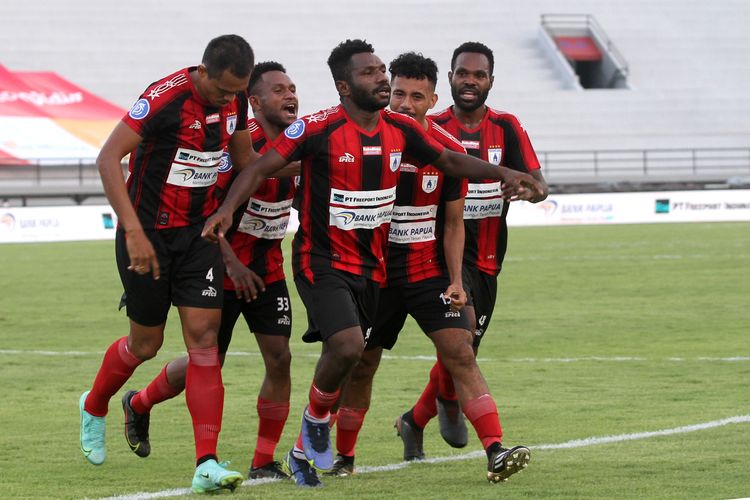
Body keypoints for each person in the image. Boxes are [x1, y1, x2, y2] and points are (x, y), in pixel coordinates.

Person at [202, 39, 544, 488]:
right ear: (344, 85)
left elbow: (450, 164)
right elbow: (258, 166)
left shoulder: (408, 134)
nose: (384, 80)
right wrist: (228, 207)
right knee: (349, 351)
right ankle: (324, 430)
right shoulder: (317, 128)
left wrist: (503, 173)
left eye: (384, 71)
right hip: (322, 261)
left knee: (454, 349)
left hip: (389, 269)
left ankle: (493, 448)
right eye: (373, 74)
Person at [325, 52, 533, 483]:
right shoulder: (366, 140)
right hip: (374, 273)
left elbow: (454, 223)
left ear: (432, 99)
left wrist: (457, 281)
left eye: (416, 96)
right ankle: (343, 455)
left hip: (426, 269)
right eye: (398, 92)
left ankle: (495, 450)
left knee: (461, 349)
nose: (404, 103)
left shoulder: (447, 149)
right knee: (362, 364)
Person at [79, 34, 256, 494]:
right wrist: (133, 231)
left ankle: (206, 464)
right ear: (203, 71)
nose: (228, 100)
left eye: (237, 92)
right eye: (221, 91)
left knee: (204, 342)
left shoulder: (236, 104)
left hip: (198, 238)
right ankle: (95, 405)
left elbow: (247, 162)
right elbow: (107, 158)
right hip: (147, 237)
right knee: (145, 344)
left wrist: (305, 162)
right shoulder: (164, 99)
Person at [119, 61, 299, 481]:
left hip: (267, 271)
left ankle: (263, 460)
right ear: (252, 102)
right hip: (219, 269)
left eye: (292, 88)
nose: (290, 96)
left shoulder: (299, 144)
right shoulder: (235, 147)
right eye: (278, 90)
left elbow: (298, 180)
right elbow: (202, 210)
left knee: (280, 357)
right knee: (206, 361)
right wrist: (231, 262)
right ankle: (140, 402)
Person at [397, 41, 549, 464]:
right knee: (460, 341)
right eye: (463, 73)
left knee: (465, 349)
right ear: (448, 79)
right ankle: (453, 412)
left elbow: (540, 186)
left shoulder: (506, 127)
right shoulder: (430, 123)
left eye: (479, 75)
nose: (470, 81)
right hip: (441, 254)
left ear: (490, 82)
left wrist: (525, 188)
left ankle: (415, 418)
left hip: (487, 257)